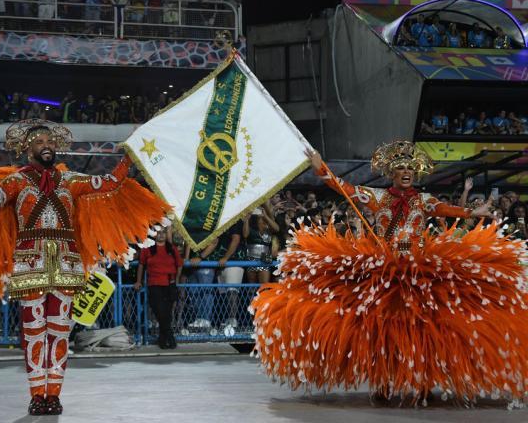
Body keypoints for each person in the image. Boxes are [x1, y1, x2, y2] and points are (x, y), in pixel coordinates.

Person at [251, 141, 528, 406]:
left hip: (420, 274)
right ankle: (383, 383)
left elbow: (448, 209)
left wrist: (473, 210)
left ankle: (422, 383)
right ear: (392, 173)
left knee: (424, 331)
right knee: (381, 331)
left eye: (410, 169)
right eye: (401, 169)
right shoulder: (378, 197)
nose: (406, 173)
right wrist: (321, 168)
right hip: (386, 274)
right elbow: (343, 188)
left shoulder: (424, 200)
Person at [0, 119, 170, 415]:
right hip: (30, 264)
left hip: (66, 264)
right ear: (27, 148)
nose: (47, 146)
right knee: (33, 331)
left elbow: (109, 183)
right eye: (40, 142)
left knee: (59, 331)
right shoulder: (17, 180)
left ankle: (53, 394)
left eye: (50, 142)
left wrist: (128, 156)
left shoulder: (70, 181)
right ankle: (36, 394)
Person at [134, 226, 182, 349]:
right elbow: (141, 265)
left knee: (167, 313)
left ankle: (162, 338)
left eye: (163, 233)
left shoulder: (172, 249)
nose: (161, 235)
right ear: (154, 234)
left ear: (166, 235)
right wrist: (138, 281)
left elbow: (179, 265)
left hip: (169, 284)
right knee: (160, 311)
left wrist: (176, 281)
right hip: (154, 284)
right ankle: (169, 335)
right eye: (158, 233)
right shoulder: (148, 249)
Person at [243, 202, 279, 284]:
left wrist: (266, 215)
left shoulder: (269, 229)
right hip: (251, 258)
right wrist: (246, 220)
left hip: (265, 258)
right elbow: (245, 235)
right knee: (252, 287)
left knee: (264, 286)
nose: (261, 218)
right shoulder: (252, 229)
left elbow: (277, 229)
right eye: (260, 217)